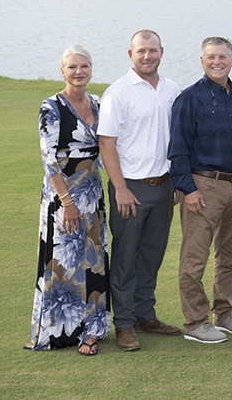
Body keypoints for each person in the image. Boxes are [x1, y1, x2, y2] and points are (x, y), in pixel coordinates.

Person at [98, 30, 182, 352]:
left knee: (151, 256)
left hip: (163, 186)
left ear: (162, 51)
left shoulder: (172, 89)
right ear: (130, 54)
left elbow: (174, 138)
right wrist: (119, 187)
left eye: (152, 50)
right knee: (125, 258)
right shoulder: (118, 93)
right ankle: (124, 324)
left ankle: (146, 315)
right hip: (130, 188)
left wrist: (175, 180)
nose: (147, 56)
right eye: (140, 51)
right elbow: (107, 143)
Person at [168, 36, 232, 344]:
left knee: (230, 256)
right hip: (203, 186)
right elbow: (177, 150)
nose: (217, 62)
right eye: (211, 57)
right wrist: (188, 190)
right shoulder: (189, 98)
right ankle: (195, 322)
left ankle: (225, 313)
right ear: (202, 61)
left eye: (223, 57)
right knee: (194, 258)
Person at [27, 45, 110, 355]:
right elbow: (49, 159)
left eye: (84, 66)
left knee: (94, 262)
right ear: (62, 71)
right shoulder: (50, 106)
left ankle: (93, 329)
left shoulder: (99, 103)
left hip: (93, 193)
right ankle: (59, 330)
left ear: (91, 69)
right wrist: (67, 201)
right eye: (72, 67)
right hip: (64, 195)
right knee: (63, 261)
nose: (79, 72)